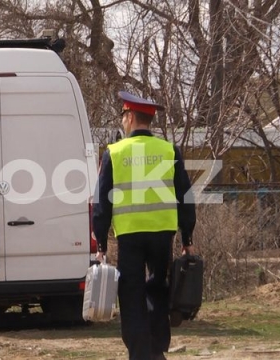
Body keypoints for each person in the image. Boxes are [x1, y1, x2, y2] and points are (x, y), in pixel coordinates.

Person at [92, 91, 196, 360]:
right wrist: (187, 239)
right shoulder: (169, 151)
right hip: (163, 234)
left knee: (131, 294)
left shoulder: (114, 153)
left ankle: (140, 353)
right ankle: (156, 347)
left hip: (130, 235)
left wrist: (100, 243)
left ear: (129, 117)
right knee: (157, 288)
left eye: (123, 116)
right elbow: (186, 196)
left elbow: (102, 203)